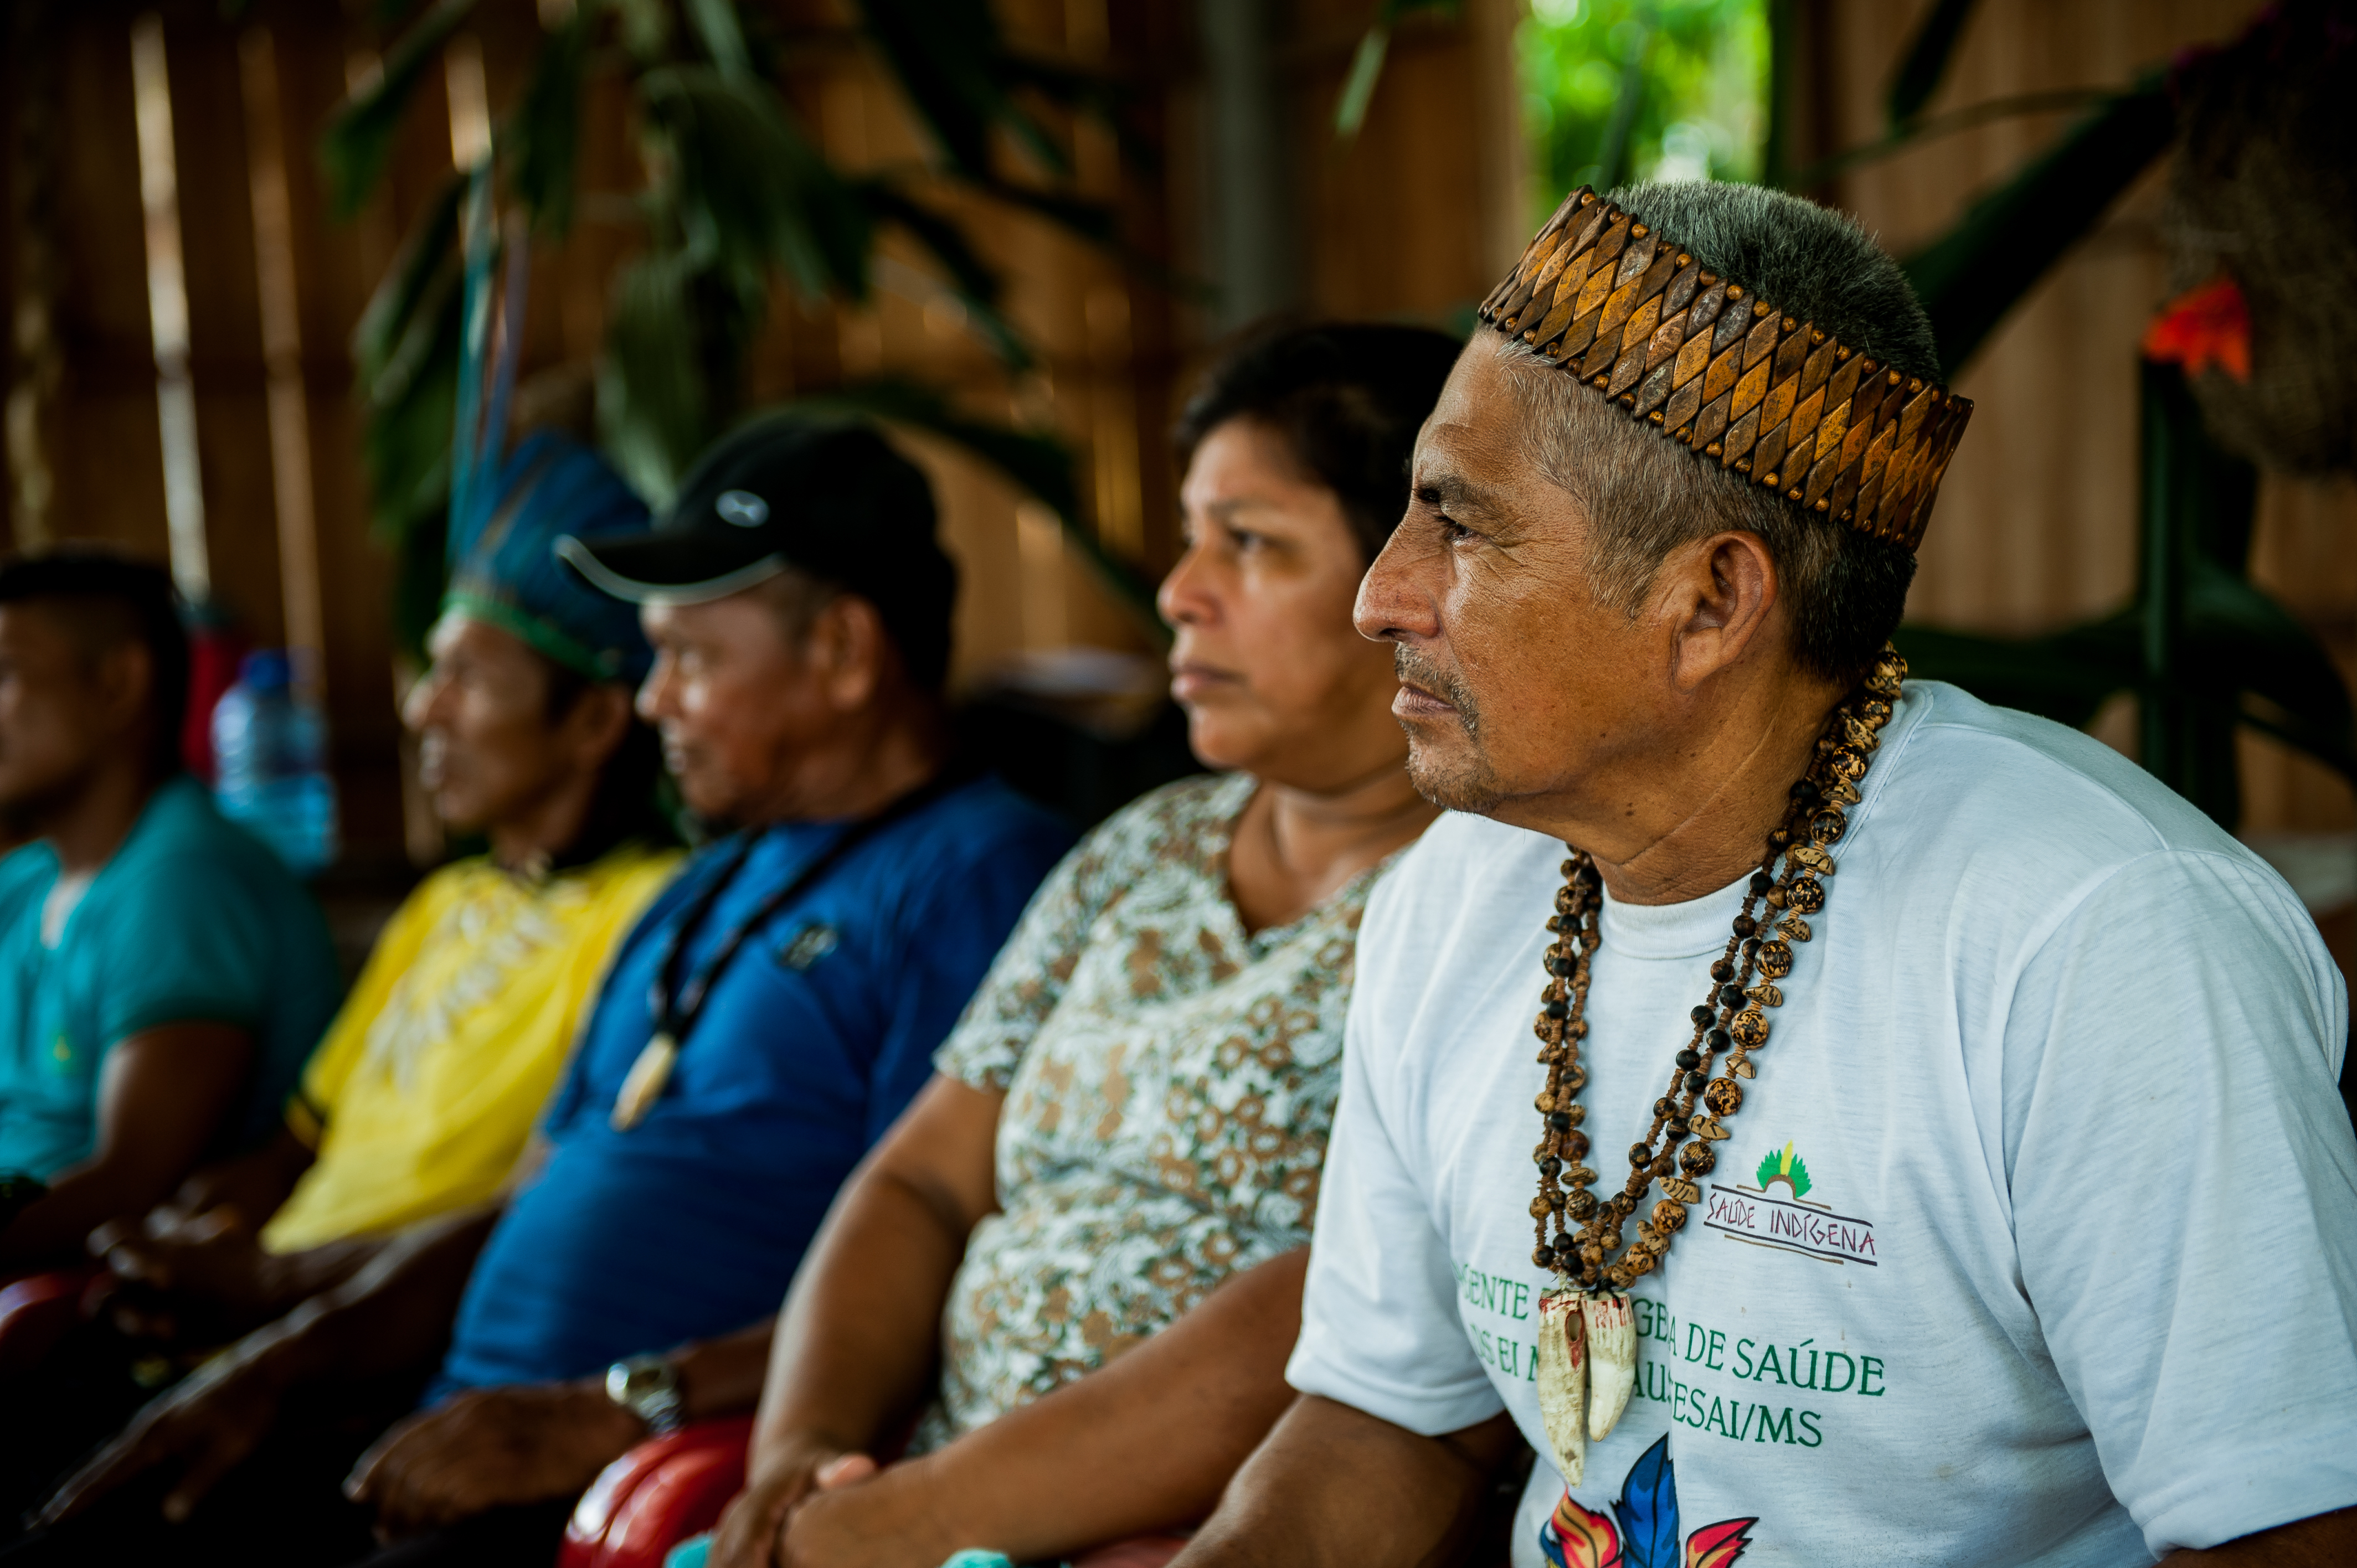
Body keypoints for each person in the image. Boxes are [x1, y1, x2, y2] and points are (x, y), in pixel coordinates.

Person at [1171, 182, 2357, 1568]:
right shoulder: (1457, 896)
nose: (1384, 593)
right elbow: (1388, 1423)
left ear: (1711, 604)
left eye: (1461, 526)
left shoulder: (2100, 941)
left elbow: (2280, 1532)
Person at [20, 418, 1074, 1567]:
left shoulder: (979, 880)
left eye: (694, 660)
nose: (655, 699)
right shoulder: (706, 887)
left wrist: (618, 1409)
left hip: (613, 1477)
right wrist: (270, 1368)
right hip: (452, 1429)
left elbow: (942, 1266)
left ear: (843, 651)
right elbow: (521, 1207)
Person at [698, 323, 1458, 1568]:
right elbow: (921, 1181)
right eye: (1191, 535)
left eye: (1251, 543)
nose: (1179, 590)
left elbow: (1364, 1295)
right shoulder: (1141, 852)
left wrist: (911, 1522)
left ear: (1414, 578)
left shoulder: (1498, 892)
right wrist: (805, 1456)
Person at [85, 433, 681, 1349]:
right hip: (270, 1300)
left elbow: (548, 1210)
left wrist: (266, 1284)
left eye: (469, 679)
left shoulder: (654, 912)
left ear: (598, 719)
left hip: (388, 1330)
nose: (422, 709)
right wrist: (194, 1232)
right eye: (434, 670)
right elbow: (300, 1150)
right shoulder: (446, 902)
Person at [0, 551, 338, 1270]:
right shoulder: (26, 885)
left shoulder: (184, 881)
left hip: (72, 1315)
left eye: (5, 674)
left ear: (121, 683)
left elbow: (130, 1186)